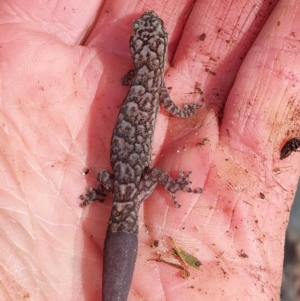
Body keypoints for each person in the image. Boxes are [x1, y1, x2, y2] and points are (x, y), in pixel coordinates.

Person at [0, 0, 296, 300]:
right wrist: (189, 113)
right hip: (117, 181)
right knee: (143, 176)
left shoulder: (140, 79)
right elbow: (172, 111)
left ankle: (104, 196)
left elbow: (134, 85)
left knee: (139, 179)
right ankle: (130, 193)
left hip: (122, 182)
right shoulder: (155, 85)